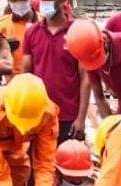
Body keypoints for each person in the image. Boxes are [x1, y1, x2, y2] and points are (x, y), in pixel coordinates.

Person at [66, 18, 121, 117]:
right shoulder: (88, 56)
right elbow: (99, 97)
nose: (97, 65)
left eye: (97, 59)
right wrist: (109, 124)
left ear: (104, 41)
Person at [22, 0, 86, 139]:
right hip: (39, 114)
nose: (46, 3)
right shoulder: (31, 32)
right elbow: (25, 75)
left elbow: (85, 78)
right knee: (39, 160)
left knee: (68, 159)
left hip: (68, 116)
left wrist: (81, 118)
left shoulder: (77, 31)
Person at [0, 0, 35, 76]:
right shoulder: (0, 25)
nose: (19, 4)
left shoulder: (43, 22)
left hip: (37, 80)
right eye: (15, 1)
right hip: (11, 81)